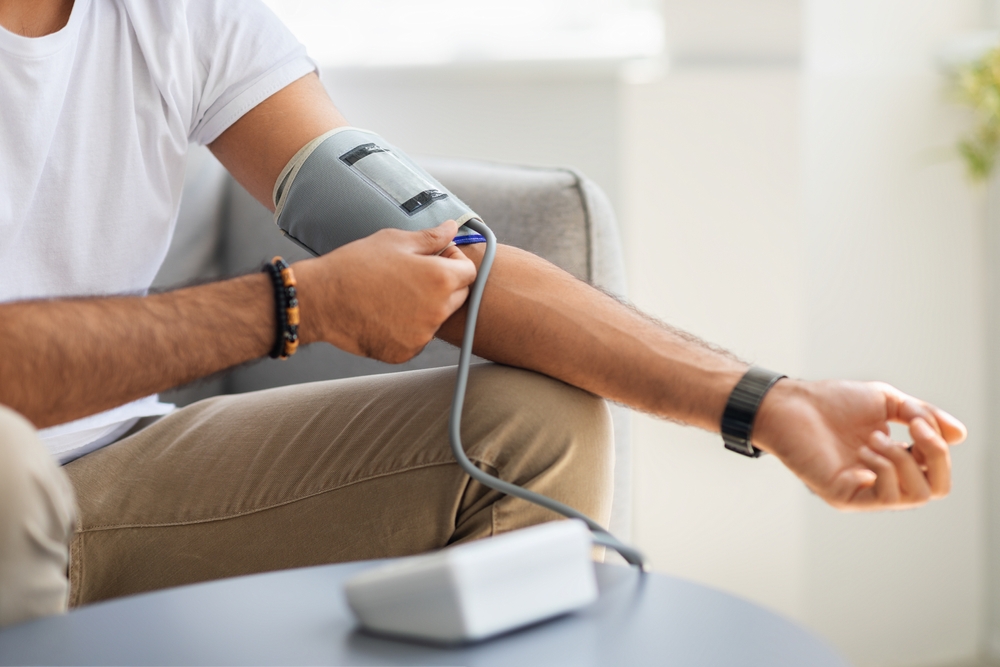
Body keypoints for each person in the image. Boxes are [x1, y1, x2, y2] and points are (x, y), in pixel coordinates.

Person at [0, 0, 967, 628]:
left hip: (117, 471)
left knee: (530, 426)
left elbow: (451, 254)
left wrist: (767, 401)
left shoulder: (182, 16)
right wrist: (293, 304)